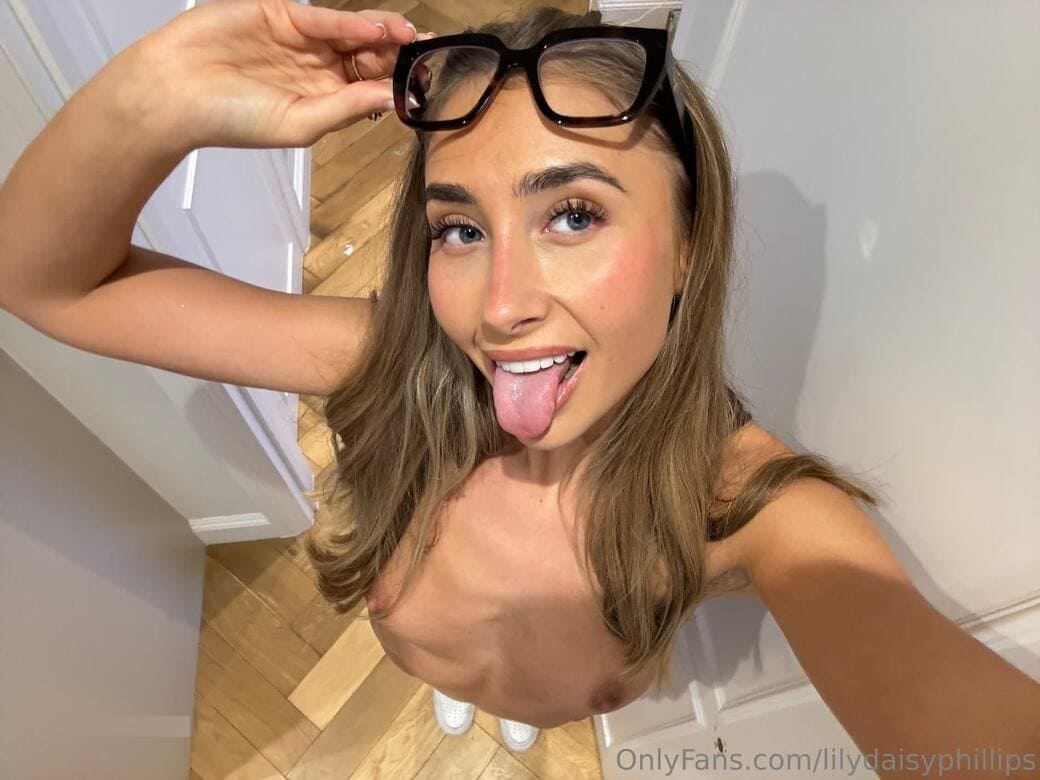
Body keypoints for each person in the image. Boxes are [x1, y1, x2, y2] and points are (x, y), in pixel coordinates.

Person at [0, 0, 1036, 768]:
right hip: (422, 662)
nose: (498, 307)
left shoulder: (747, 509)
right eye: (458, 229)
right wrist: (161, 87)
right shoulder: (392, 361)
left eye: (572, 215)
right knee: (453, 690)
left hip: (557, 700)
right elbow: (46, 281)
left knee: (522, 711)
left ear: (688, 246)